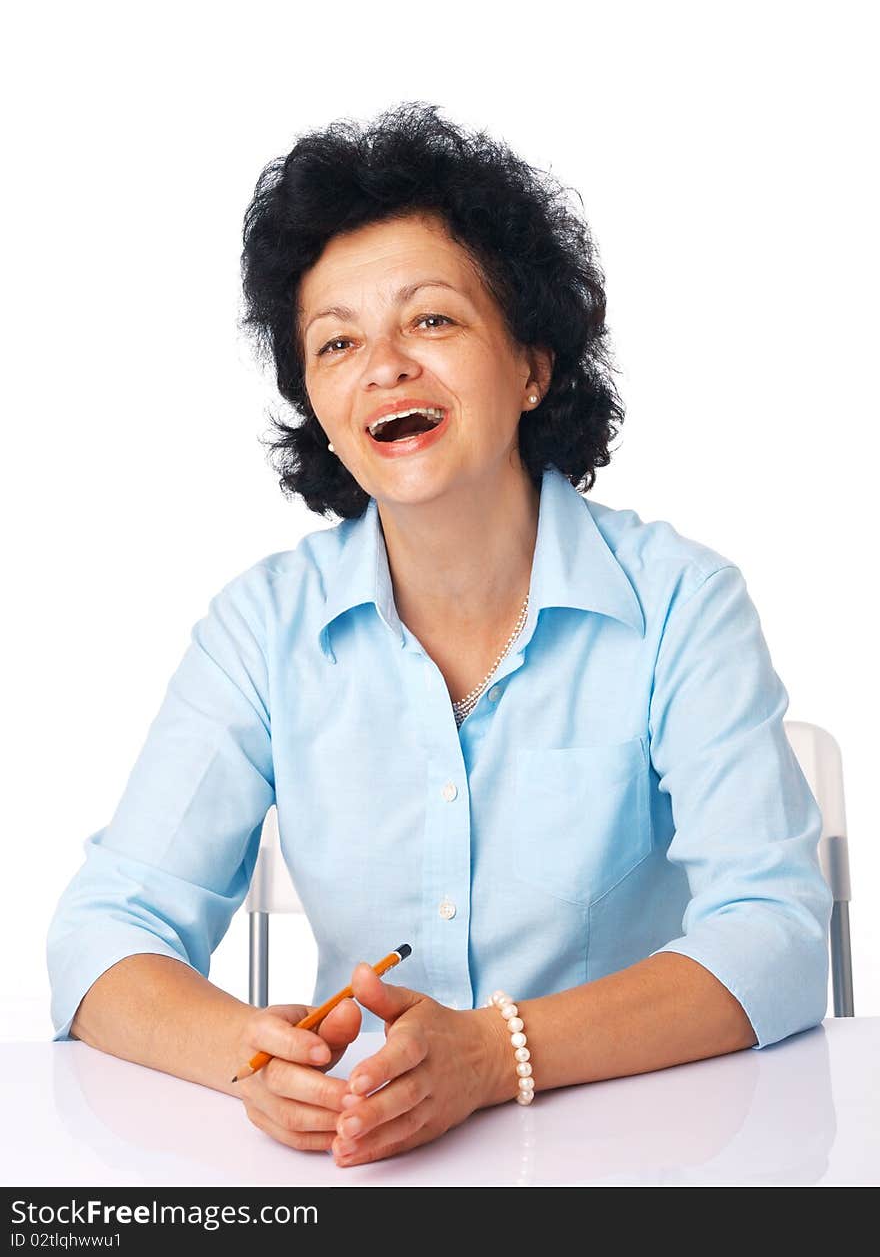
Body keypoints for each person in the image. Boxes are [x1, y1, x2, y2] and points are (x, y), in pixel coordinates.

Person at [46, 101, 832, 1169]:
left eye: (431, 321)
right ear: (320, 404)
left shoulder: (681, 602)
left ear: (531, 366)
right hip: (369, 1158)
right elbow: (104, 931)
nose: (383, 366)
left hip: (645, 1155)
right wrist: (248, 1054)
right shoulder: (261, 627)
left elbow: (778, 936)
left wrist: (496, 1054)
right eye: (337, 342)